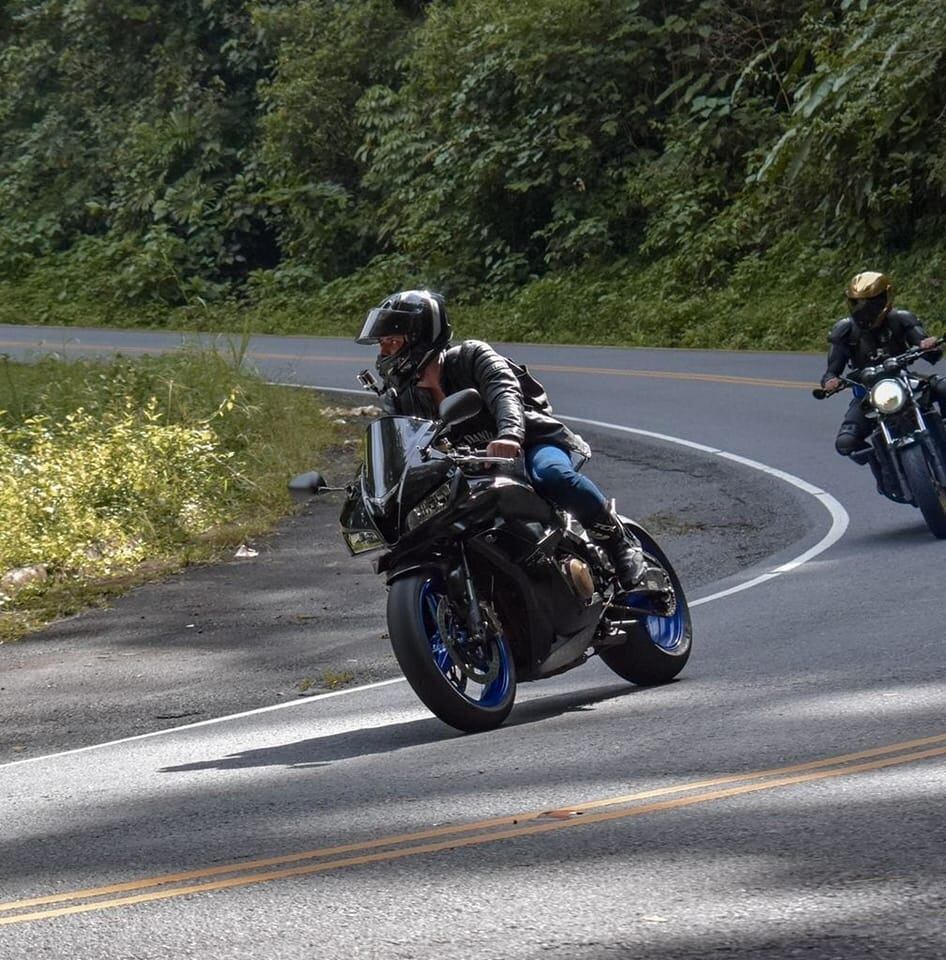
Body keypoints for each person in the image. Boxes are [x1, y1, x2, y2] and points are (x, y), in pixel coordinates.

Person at [355, 288, 667, 597]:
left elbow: (505, 392)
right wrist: (370, 488)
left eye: (392, 342)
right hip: (470, 468)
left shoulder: (471, 356)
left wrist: (508, 435)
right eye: (382, 344)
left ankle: (618, 543)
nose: (384, 352)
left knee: (553, 475)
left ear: (420, 338)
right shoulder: (401, 398)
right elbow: (397, 446)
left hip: (530, 442)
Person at [821, 270, 944, 462]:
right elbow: (831, 371)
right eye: (857, 303)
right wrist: (831, 381)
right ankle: (882, 464)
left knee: (943, 386)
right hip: (868, 393)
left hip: (904, 381)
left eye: (870, 304)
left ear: (885, 298)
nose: (863, 310)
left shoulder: (901, 319)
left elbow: (931, 353)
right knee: (846, 442)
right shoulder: (844, 330)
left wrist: (927, 345)